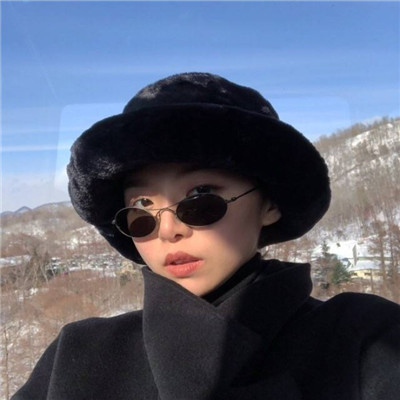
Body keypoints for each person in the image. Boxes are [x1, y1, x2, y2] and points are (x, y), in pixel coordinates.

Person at [12, 73, 400, 399]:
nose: (168, 229)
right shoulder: (78, 354)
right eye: (141, 207)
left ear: (269, 204)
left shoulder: (364, 339)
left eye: (201, 196)